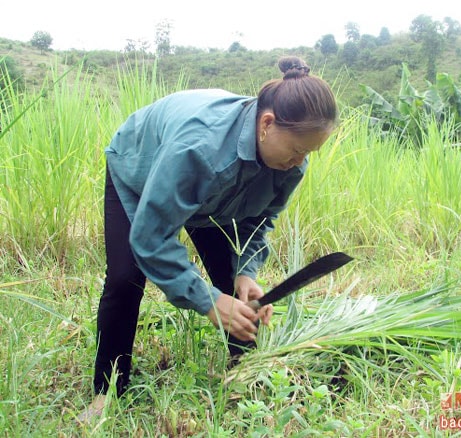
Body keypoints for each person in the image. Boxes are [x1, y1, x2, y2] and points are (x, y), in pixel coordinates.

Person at [78, 56, 337, 421]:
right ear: (266, 124)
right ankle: (108, 391)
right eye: (296, 151)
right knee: (125, 278)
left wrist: (245, 272)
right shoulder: (199, 149)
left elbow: (261, 218)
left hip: (211, 191)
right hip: (143, 168)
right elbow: (152, 238)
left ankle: (245, 368)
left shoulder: (290, 162)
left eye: (308, 154)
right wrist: (208, 301)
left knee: (233, 279)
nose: (300, 162)